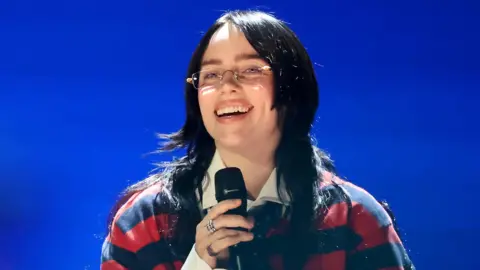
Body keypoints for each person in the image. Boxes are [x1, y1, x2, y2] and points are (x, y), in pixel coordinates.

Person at [100, 10, 414, 270]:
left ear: (292, 88)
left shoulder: (353, 218)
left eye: (250, 70)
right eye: (210, 75)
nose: (227, 86)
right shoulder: (145, 221)